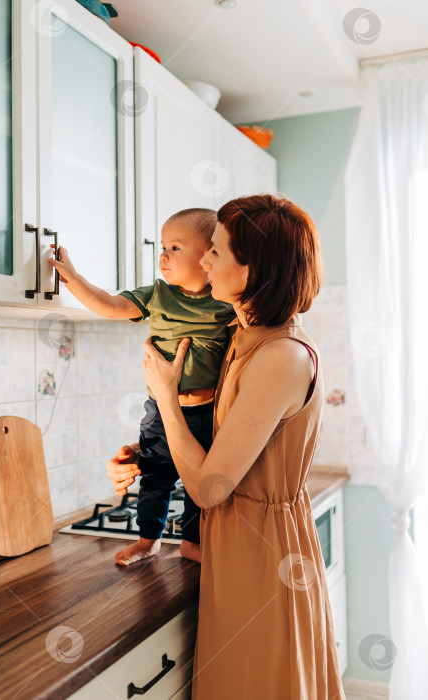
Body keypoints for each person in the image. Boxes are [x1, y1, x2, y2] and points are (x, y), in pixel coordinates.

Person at [107, 194, 346, 699]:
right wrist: (147, 450)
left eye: (215, 250)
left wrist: (167, 401)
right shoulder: (243, 338)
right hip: (233, 548)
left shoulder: (281, 356)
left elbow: (211, 486)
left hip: (261, 559)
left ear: (252, 267)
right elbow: (224, 441)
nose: (204, 261)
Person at [48, 208, 234, 567]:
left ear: (210, 255)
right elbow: (109, 304)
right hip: (161, 412)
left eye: (175, 248)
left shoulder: (225, 303)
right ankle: (149, 540)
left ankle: (192, 542)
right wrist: (72, 277)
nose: (162, 255)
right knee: (154, 477)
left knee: (202, 486)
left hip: (208, 412)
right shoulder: (158, 296)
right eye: (162, 247)